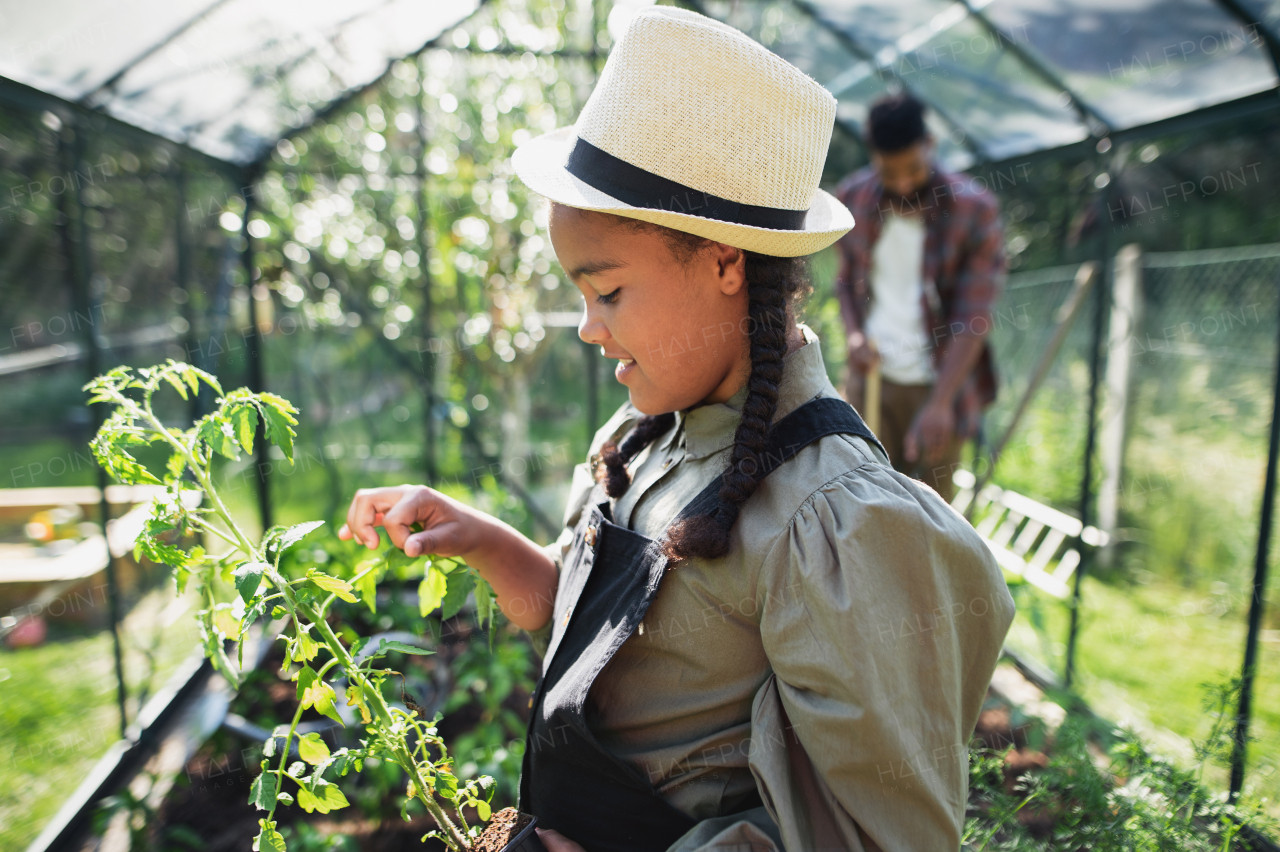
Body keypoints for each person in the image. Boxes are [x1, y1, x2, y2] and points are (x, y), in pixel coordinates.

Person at [339, 10, 1015, 852]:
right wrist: (485, 542)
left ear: (727, 263)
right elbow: (600, 635)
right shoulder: (644, 433)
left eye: (609, 292)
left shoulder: (833, 521)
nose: (588, 327)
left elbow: (878, 837)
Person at [834, 94, 1006, 502]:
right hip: (872, 380)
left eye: (912, 169)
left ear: (930, 143)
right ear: (872, 155)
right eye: (889, 172)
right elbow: (846, 283)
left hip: (940, 384)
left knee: (931, 517)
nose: (903, 183)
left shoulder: (974, 210)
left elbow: (973, 315)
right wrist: (855, 335)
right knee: (864, 505)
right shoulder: (853, 199)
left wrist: (941, 402)